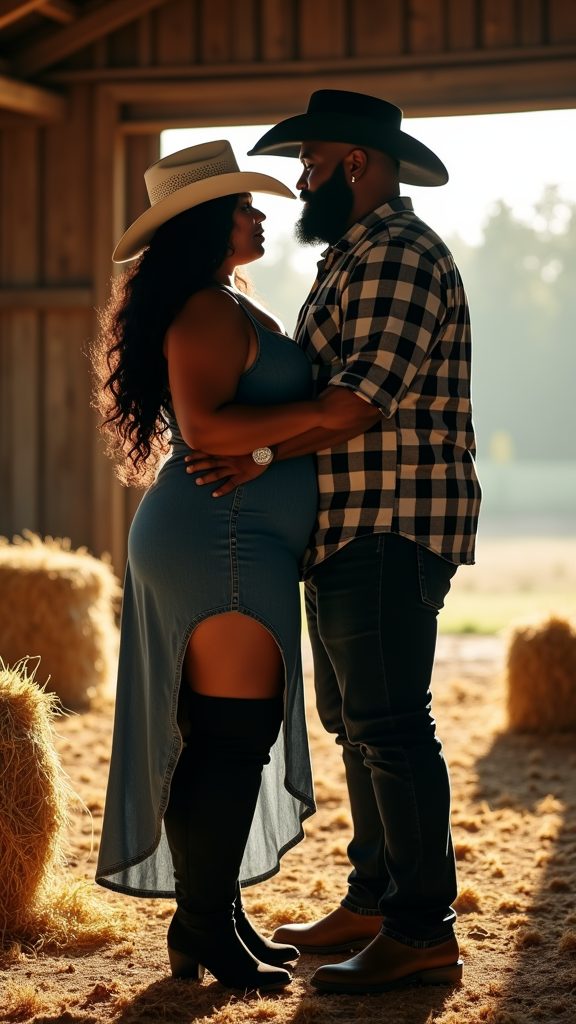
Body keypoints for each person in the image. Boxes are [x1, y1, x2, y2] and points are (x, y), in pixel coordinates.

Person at [184, 91, 482, 994]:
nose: (302, 182)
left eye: (311, 164)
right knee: (356, 724)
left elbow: (356, 403)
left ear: (357, 163)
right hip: (350, 524)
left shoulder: (397, 254)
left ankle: (422, 930)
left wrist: (259, 452)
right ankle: (375, 898)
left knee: (391, 725)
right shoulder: (356, 254)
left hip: (389, 518)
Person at [93, 140, 376, 993]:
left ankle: (212, 917)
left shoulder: (224, 301)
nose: (259, 214)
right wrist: (322, 414)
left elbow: (237, 430)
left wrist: (280, 439)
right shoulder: (206, 310)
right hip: (221, 534)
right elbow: (206, 428)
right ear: (207, 221)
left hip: (231, 532)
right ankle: (204, 925)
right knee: (230, 737)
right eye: (243, 206)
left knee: (223, 736)